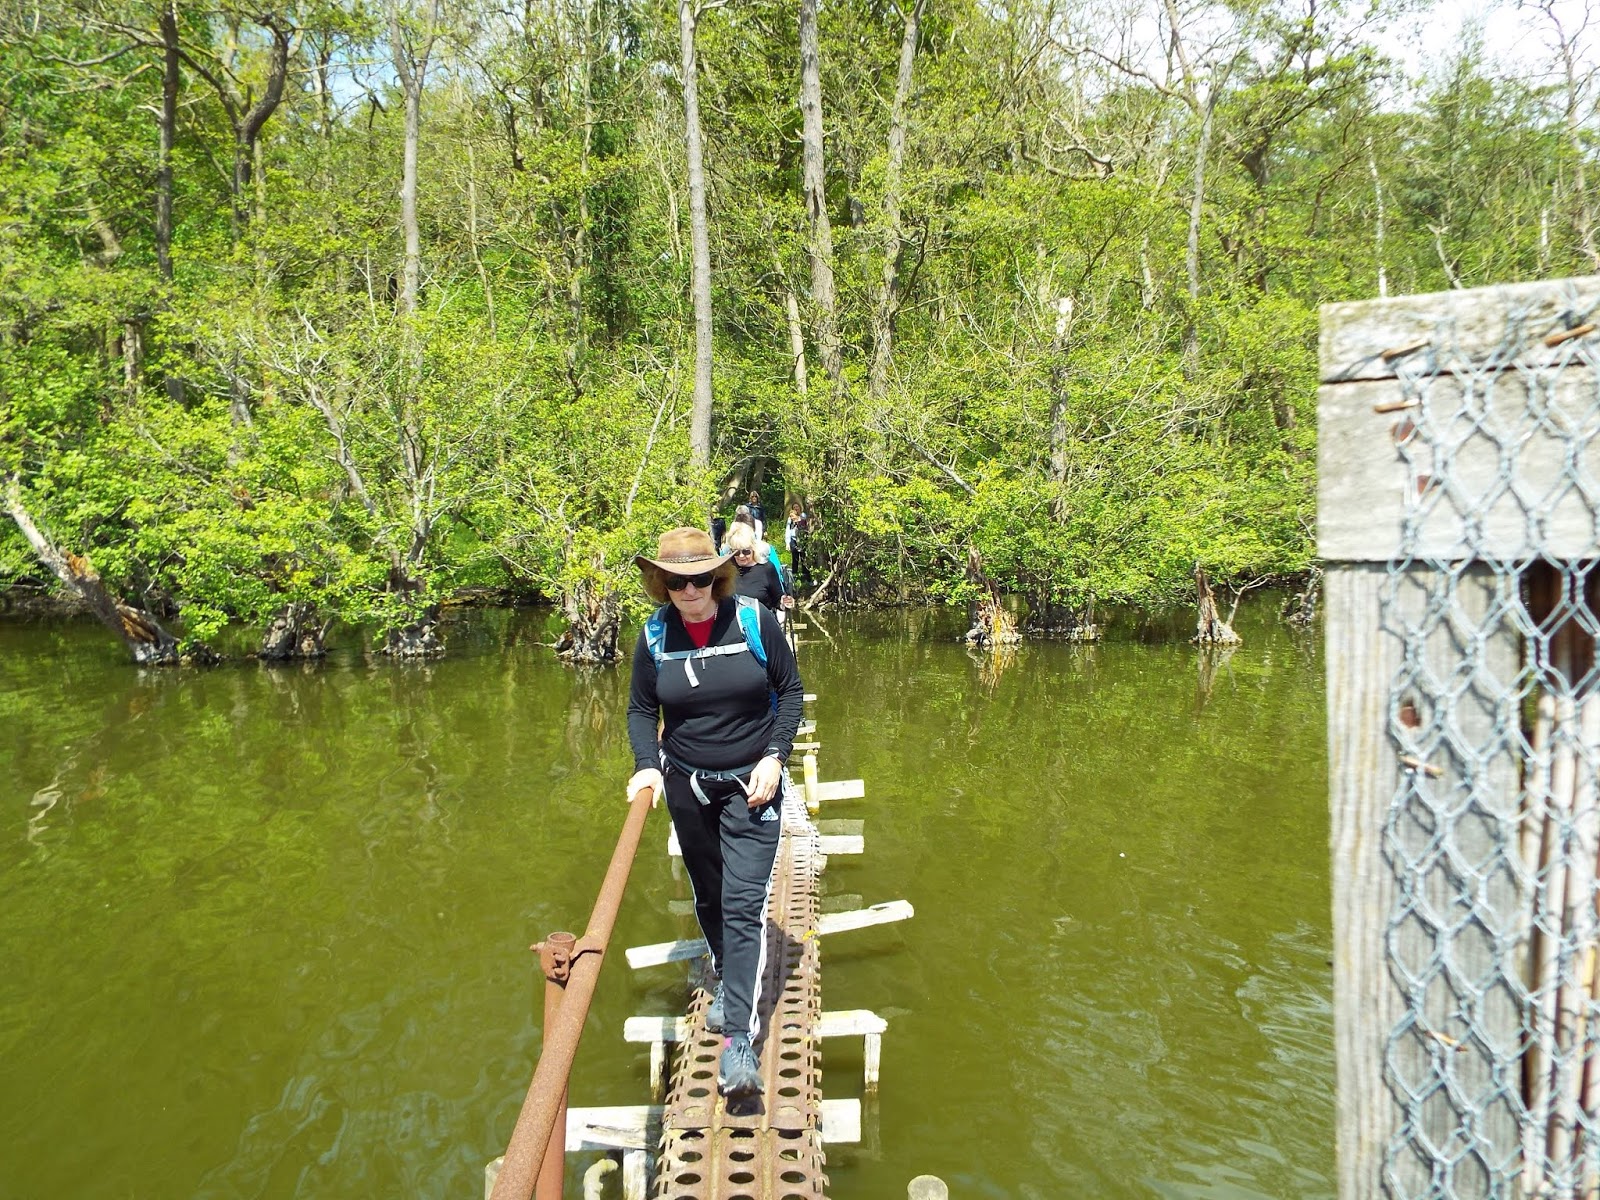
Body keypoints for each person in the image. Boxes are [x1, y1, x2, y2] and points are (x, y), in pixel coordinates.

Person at [625, 526, 804, 1100]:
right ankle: (728, 974)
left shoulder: (754, 620)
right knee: (710, 893)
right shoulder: (654, 635)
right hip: (688, 786)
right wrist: (646, 763)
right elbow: (639, 709)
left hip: (753, 783)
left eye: (701, 577)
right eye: (678, 581)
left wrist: (776, 757)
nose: (691, 590)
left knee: (744, 903)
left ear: (719, 576)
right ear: (663, 583)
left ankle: (739, 1042)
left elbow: (791, 693)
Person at [727, 523, 783, 617]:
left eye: (746, 551)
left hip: (760, 624)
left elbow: (777, 600)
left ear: (753, 549)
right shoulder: (726, 569)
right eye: (736, 552)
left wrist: (785, 602)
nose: (741, 556)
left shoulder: (767, 568)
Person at [784, 502, 810, 588]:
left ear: (800, 508)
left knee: (804, 559)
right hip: (793, 540)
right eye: (794, 507)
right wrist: (787, 543)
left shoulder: (803, 516)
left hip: (802, 540)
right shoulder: (790, 519)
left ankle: (806, 578)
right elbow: (788, 530)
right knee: (795, 559)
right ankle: (794, 578)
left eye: (797, 507)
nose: (796, 509)